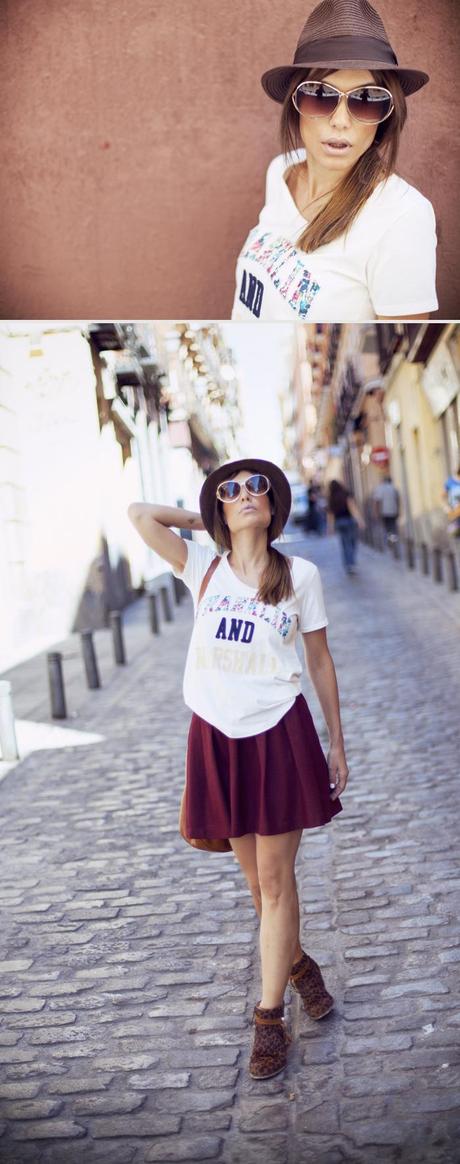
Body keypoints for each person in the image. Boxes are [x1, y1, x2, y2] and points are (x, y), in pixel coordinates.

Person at [128, 458, 349, 1081]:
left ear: (275, 506)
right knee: (258, 891)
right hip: (217, 739)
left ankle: (269, 1017)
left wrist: (337, 742)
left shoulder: (300, 575)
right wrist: (210, 520)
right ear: (219, 509)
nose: (245, 494)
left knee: (276, 885)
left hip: (279, 734)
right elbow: (139, 515)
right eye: (231, 490)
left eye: (257, 487)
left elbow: (321, 662)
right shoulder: (202, 566)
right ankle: (301, 967)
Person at [231, 0, 437, 322]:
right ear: (295, 105)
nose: (340, 121)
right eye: (319, 94)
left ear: (385, 116)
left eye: (367, 100)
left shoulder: (402, 216)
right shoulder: (281, 171)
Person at [327, 479, 365, 573]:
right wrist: (359, 520)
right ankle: (351, 563)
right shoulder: (345, 494)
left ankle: (348, 564)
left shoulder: (331, 497)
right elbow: (352, 508)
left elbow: (330, 514)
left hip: (339, 523)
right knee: (352, 542)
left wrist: (330, 527)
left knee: (344, 543)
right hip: (349, 521)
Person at [373, 473, 400, 545]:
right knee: (393, 526)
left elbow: (377, 501)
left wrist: (376, 512)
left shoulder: (380, 488)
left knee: (387, 527)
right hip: (393, 510)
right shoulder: (394, 488)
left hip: (384, 512)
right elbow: (398, 500)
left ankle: (389, 542)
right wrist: (398, 510)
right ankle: (393, 541)